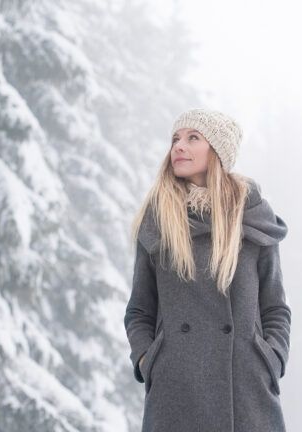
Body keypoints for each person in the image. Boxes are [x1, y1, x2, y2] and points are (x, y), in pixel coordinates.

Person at [124, 108, 290, 432]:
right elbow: (139, 311)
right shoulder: (159, 220)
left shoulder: (252, 217)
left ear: (217, 150)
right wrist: (150, 361)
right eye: (175, 139)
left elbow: (275, 307)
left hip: (245, 393)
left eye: (192, 138)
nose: (178, 146)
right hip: (176, 394)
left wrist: (271, 359)